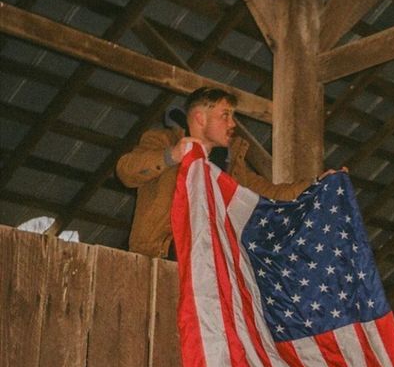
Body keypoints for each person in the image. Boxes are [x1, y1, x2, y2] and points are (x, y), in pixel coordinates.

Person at [116, 87, 313, 258]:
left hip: (213, 263)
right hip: (164, 256)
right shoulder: (162, 141)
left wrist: (317, 184)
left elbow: (273, 194)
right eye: (225, 115)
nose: (233, 124)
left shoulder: (233, 168)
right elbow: (126, 171)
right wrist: (172, 156)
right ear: (200, 118)